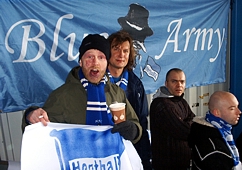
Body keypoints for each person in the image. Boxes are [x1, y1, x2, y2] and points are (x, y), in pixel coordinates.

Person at [21, 34, 142, 145]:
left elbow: (136, 125)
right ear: (81, 62)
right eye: (90, 57)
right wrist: (30, 116)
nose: (95, 63)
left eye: (101, 57)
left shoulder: (117, 93)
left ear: (107, 63)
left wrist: (134, 130)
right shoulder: (62, 96)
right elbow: (38, 131)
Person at [107, 31, 152, 170]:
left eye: (126, 51)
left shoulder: (136, 85)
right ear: (107, 52)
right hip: (105, 152)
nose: (121, 55)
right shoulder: (95, 81)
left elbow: (142, 122)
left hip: (131, 151)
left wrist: (145, 159)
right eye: (116, 49)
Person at [150, 68, 195, 170]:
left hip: (182, 163)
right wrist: (189, 124)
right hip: (167, 165)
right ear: (166, 83)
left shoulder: (181, 101)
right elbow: (184, 132)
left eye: (182, 82)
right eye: (174, 81)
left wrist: (188, 123)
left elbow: (193, 119)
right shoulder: (162, 105)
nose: (179, 85)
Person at [188, 91, 242, 170]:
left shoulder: (212, 130)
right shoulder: (215, 152)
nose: (239, 112)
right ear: (217, 112)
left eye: (237, 107)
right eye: (232, 109)